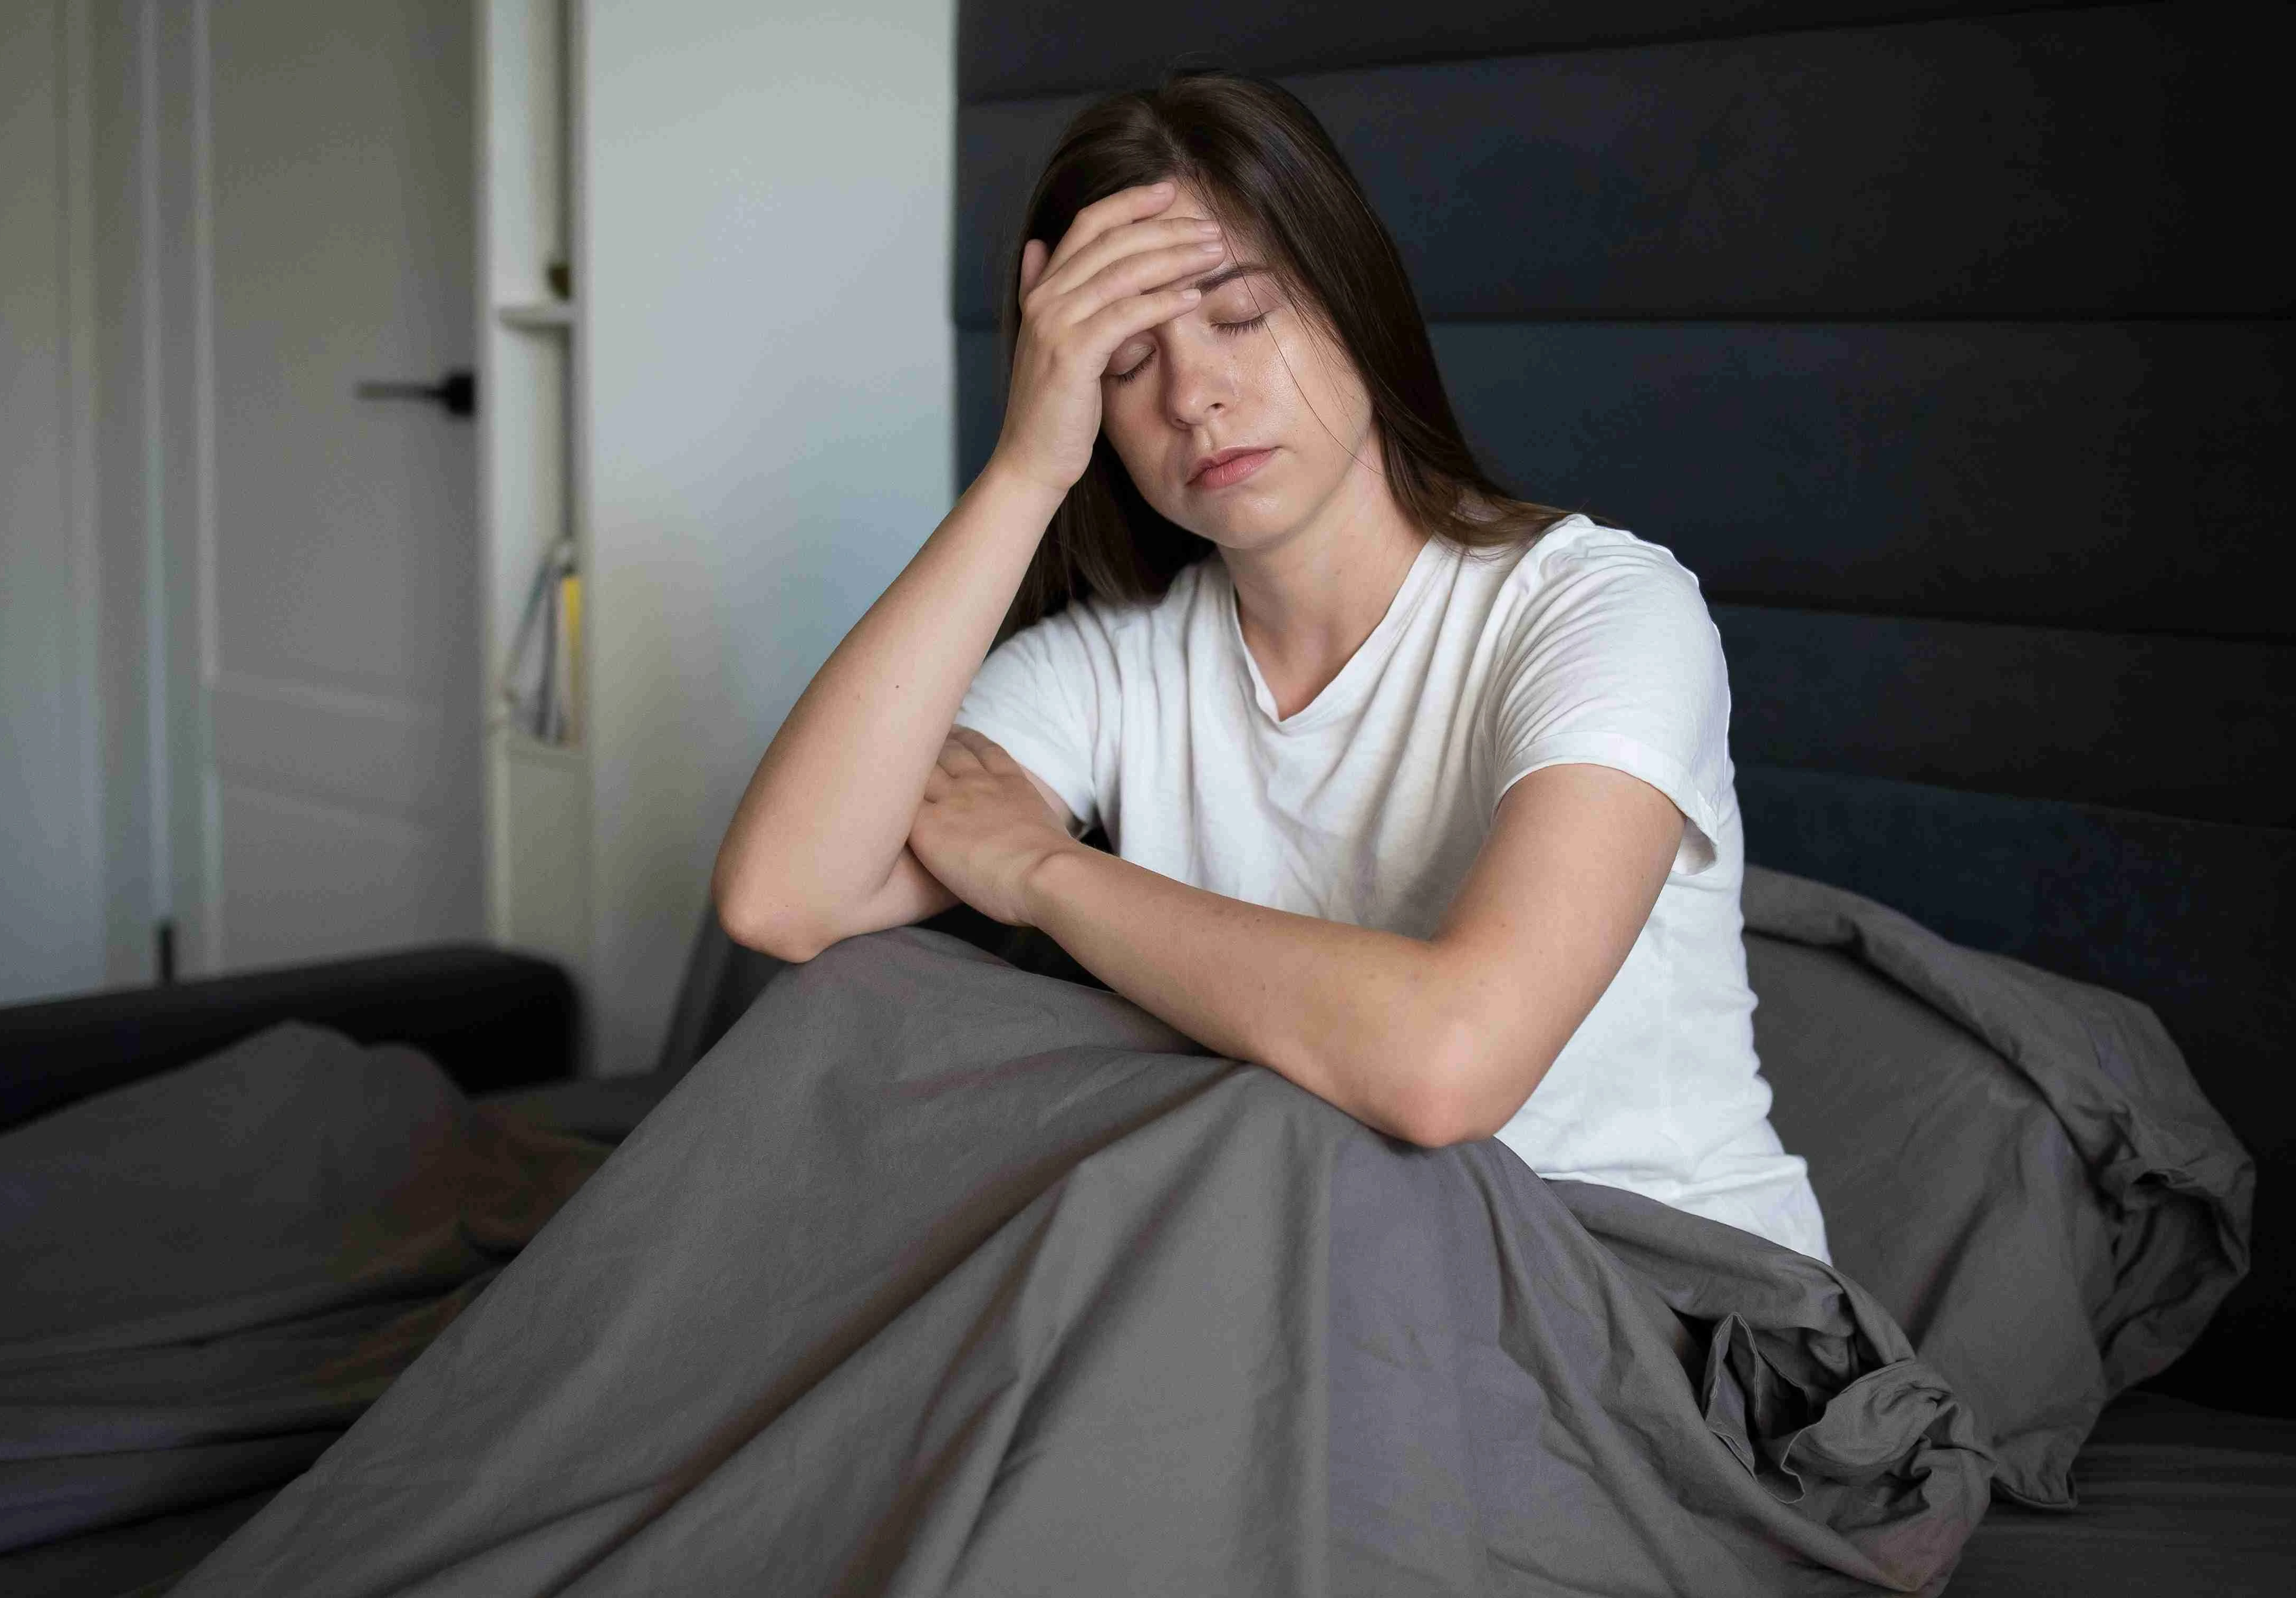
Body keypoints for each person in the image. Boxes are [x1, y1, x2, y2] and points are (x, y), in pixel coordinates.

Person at [712, 73, 1824, 1259]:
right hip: (1347, 1286)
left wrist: (1043, 871)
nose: (1195, 394)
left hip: (1666, 1306)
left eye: (1239, 315)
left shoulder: (1599, 609)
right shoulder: (1117, 664)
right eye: (1126, 363)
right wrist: (1025, 471)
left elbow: (1450, 1064)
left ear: (1355, 301)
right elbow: (787, 897)